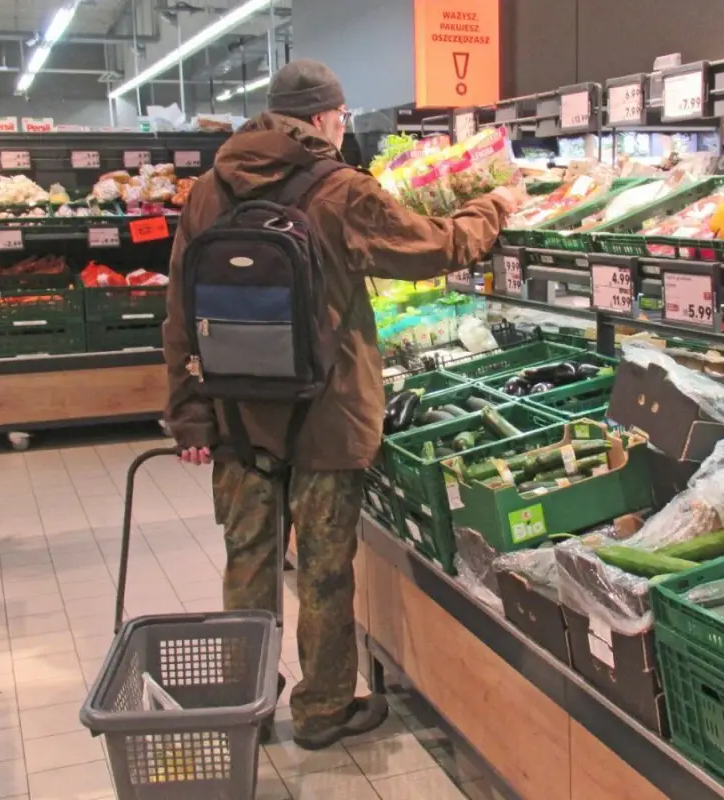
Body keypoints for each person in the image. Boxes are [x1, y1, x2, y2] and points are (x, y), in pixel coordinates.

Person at [162, 59, 524, 750]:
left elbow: (178, 308)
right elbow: (432, 247)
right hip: (324, 415)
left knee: (249, 560)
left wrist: (187, 413)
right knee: (325, 569)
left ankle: (247, 708)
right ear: (327, 117)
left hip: (236, 411)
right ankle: (324, 709)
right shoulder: (339, 190)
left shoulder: (207, 191)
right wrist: (495, 207)